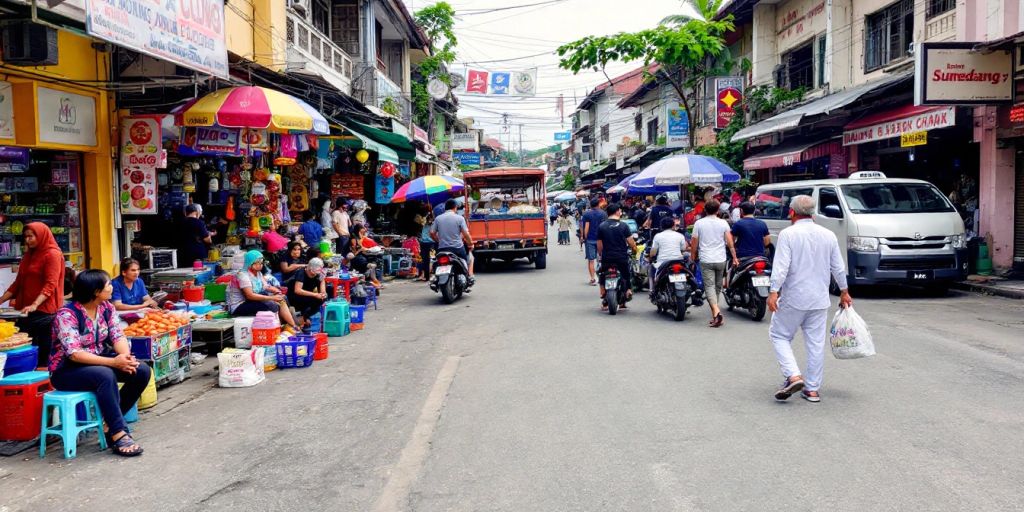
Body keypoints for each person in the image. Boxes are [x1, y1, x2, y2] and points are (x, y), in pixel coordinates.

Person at [49, 269, 151, 457]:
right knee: (105, 374)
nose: (112, 286)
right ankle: (119, 432)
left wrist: (125, 358)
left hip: (99, 361)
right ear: (96, 291)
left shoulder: (106, 308)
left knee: (141, 370)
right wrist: (113, 362)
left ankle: (110, 424)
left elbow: (117, 335)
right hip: (67, 371)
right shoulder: (67, 314)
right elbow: (74, 354)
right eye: (108, 285)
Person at [768, 195, 853, 403]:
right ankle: (812, 389)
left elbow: (781, 266)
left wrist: (773, 291)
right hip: (819, 299)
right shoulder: (828, 234)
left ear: (792, 212)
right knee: (815, 343)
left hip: (794, 297)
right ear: (812, 213)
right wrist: (844, 290)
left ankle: (793, 375)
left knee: (779, 335)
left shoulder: (788, 234)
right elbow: (838, 266)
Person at [0, 223, 65, 368]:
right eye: (25, 237)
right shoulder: (29, 255)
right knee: (23, 349)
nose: (27, 240)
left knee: (42, 354)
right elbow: (18, 283)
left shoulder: (52, 254)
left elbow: (51, 284)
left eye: (31, 236)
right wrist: (2, 300)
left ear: (41, 235)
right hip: (25, 311)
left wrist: (35, 304)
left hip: (45, 312)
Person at [691, 199, 739, 328]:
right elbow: (730, 243)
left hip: (706, 259)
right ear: (718, 210)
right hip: (720, 259)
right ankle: (715, 314)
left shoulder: (699, 223)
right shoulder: (723, 223)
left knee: (710, 287)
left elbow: (694, 242)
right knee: (717, 287)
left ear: (705, 210)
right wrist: (734, 257)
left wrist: (692, 256)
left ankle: (717, 312)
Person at [226, 250, 299, 332]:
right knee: (272, 305)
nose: (260, 265)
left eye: (261, 263)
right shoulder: (242, 275)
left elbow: (265, 286)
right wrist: (272, 298)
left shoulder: (258, 273)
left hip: (249, 301)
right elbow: (250, 295)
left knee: (283, 298)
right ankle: (283, 327)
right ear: (250, 263)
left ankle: (291, 325)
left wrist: (276, 291)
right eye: (257, 263)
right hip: (239, 305)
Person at [596, 204, 636, 310]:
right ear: (617, 212)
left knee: (602, 273)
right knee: (626, 274)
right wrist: (634, 250)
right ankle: (628, 291)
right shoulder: (624, 226)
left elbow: (599, 245)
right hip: (621, 257)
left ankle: (603, 293)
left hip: (607, 257)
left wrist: (601, 254)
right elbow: (631, 242)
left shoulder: (602, 226)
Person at [430, 199, 475, 280]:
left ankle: (435, 277)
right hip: (457, 249)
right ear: (455, 208)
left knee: (436, 261)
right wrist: (470, 243)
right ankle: (468, 276)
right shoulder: (460, 218)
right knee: (466, 260)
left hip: (442, 248)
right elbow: (466, 234)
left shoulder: (438, 219)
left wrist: (438, 240)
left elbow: (432, 233)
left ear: (445, 208)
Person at [647, 216, 689, 290]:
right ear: (673, 226)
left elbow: (653, 253)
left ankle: (652, 290)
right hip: (678, 261)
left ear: (661, 226)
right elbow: (683, 249)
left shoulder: (658, 236)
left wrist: (651, 258)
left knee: (651, 270)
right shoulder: (680, 236)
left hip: (662, 263)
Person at [287, 257, 327, 330]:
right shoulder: (301, 273)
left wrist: (323, 293)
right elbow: (297, 290)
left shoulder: (319, 273)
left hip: (308, 294)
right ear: (310, 269)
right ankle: (303, 317)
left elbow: (322, 281)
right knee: (311, 299)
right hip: (295, 296)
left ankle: (306, 316)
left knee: (322, 299)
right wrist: (315, 294)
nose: (315, 274)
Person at [580, 198, 607, 286]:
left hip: (590, 240)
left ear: (590, 205)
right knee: (602, 259)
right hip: (602, 240)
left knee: (591, 260)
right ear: (599, 204)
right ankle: (603, 277)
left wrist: (584, 237)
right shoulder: (603, 214)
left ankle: (593, 279)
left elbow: (586, 227)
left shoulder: (587, 214)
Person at [348, 223, 384, 289]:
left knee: (375, 261)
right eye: (363, 228)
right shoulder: (353, 238)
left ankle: (375, 281)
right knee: (367, 263)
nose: (365, 229)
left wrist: (366, 249)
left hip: (362, 255)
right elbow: (354, 252)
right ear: (359, 229)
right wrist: (361, 250)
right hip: (355, 257)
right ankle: (373, 279)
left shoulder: (360, 237)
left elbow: (361, 247)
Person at [179, 203, 213, 268]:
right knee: (197, 273)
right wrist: (209, 234)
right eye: (200, 212)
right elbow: (208, 240)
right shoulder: (199, 222)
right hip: (197, 255)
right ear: (196, 212)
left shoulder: (179, 222)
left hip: (182, 254)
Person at [417, 211, 435, 282]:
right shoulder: (433, 224)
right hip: (431, 244)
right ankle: (428, 275)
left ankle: (426, 276)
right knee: (430, 259)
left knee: (425, 260)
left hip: (424, 243)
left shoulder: (424, 224)